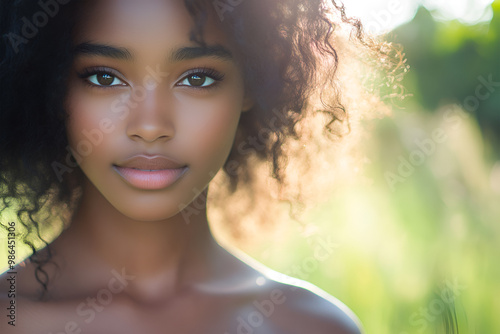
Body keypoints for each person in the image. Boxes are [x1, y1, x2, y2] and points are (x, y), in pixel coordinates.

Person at [0, 0, 402, 332]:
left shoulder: (312, 326)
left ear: (255, 84)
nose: (151, 125)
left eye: (197, 79)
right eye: (105, 77)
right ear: (49, 85)